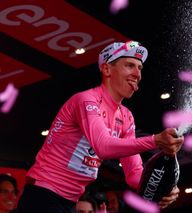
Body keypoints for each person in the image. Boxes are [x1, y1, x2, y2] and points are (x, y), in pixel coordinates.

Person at [16, 40, 183, 212]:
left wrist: (164, 187)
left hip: (70, 201)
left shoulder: (126, 117)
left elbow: (134, 173)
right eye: (129, 65)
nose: (137, 73)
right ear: (106, 69)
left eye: (140, 68)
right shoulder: (86, 100)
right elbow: (103, 146)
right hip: (42, 194)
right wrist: (156, 140)